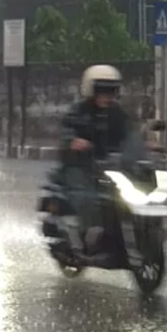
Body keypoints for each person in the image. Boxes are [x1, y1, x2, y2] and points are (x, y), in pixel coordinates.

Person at [54, 64, 133, 253]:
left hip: (111, 165)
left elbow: (131, 133)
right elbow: (66, 132)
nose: (107, 95)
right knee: (87, 197)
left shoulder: (117, 113)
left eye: (111, 90)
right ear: (91, 89)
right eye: (102, 90)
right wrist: (73, 141)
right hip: (80, 165)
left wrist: (146, 144)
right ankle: (83, 235)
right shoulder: (78, 112)